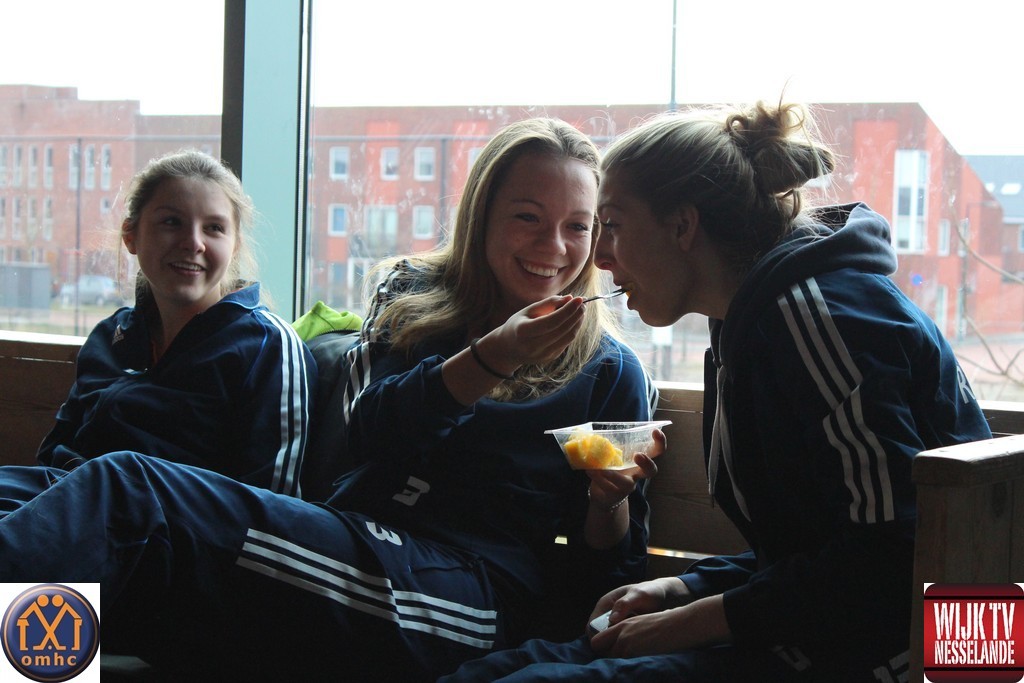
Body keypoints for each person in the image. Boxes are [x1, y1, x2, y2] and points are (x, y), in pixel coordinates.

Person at [0, 118, 660, 682]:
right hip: (348, 542)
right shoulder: (413, 300)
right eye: (527, 217)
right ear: (482, 215)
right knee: (76, 525)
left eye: (578, 226)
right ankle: (26, 665)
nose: (554, 247)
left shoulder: (609, 370)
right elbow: (368, 431)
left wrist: (609, 502)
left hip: (470, 594)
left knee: (126, 493)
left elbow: (609, 577)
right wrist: (490, 357)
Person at [441, 102, 994, 682]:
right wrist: (683, 588)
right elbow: (815, 549)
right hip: (818, 634)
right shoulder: (751, 325)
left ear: (682, 226)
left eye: (614, 225)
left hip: (924, 658)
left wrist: (691, 621)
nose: (599, 257)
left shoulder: (821, 319)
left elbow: (892, 559)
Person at [0, 150, 314, 503]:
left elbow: (271, 509)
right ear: (130, 236)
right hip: (59, 504)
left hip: (158, 530)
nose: (193, 242)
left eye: (214, 228)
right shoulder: (111, 337)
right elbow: (53, 456)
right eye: (171, 222)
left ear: (235, 245)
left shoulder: (268, 346)